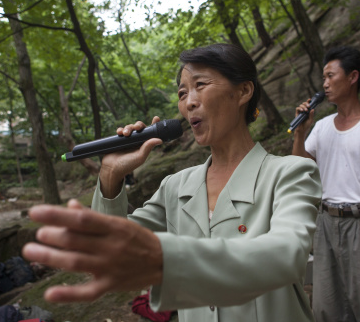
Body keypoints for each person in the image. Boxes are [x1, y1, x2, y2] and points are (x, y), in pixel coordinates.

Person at [23, 43, 322, 321]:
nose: (189, 103)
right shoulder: (175, 187)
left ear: (243, 91)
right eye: (181, 94)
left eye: (200, 86)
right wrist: (111, 174)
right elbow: (112, 246)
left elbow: (286, 254)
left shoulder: (291, 173)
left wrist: (169, 259)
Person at [291, 46, 360, 322]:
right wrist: (301, 132)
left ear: (353, 77)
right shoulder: (324, 126)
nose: (325, 84)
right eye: (323, 78)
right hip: (326, 223)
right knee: (327, 307)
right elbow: (299, 167)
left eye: (331, 76)